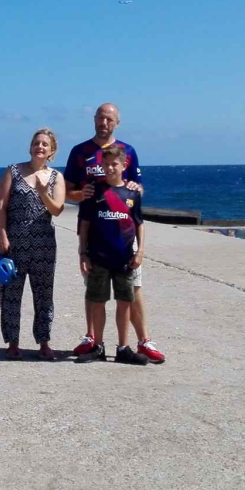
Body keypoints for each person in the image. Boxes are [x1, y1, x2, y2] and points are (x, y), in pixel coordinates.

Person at [62, 102, 166, 363]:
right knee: (93, 289)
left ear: (117, 122)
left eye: (109, 119)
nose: (104, 123)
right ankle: (92, 339)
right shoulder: (80, 151)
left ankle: (143, 341)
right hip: (94, 230)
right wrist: (80, 195)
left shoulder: (128, 152)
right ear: (94, 120)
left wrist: (133, 187)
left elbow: (137, 191)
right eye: (100, 118)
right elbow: (66, 191)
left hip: (125, 236)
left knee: (133, 289)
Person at [0, 128, 66, 359]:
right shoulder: (13, 171)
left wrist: (43, 193)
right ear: (30, 147)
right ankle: (12, 343)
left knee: (44, 294)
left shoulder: (56, 177)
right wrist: (3, 236)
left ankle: (44, 342)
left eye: (45, 144)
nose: (40, 147)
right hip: (15, 242)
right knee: (11, 293)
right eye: (37, 143)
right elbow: (1, 206)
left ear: (51, 151)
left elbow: (57, 209)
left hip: (44, 244)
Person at [76, 145, 150, 364]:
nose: (109, 168)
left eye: (114, 164)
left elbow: (140, 224)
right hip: (98, 257)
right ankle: (98, 346)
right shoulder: (94, 191)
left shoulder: (132, 193)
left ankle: (123, 348)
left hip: (124, 258)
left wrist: (140, 252)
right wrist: (83, 253)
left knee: (124, 302)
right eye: (105, 164)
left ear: (123, 165)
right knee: (97, 301)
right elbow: (86, 223)